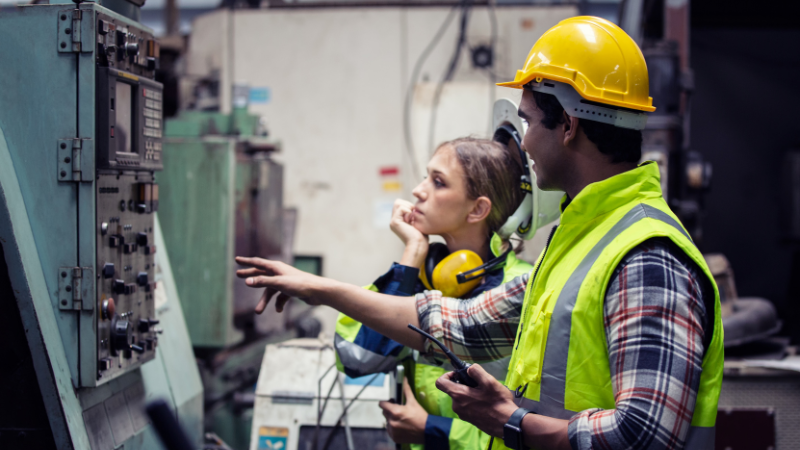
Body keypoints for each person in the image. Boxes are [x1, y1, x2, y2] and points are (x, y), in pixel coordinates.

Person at [235, 16, 723, 450]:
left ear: (569, 125)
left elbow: (645, 434)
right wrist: (316, 288)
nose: (523, 142)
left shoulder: (645, 255)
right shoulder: (580, 240)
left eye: (529, 121)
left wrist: (509, 420)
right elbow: (460, 323)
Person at [335, 137, 534, 450]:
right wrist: (413, 253)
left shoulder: (521, 288)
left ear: (478, 208)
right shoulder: (423, 277)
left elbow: (530, 427)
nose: (418, 190)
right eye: (427, 176)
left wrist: (433, 430)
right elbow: (358, 359)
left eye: (438, 182)